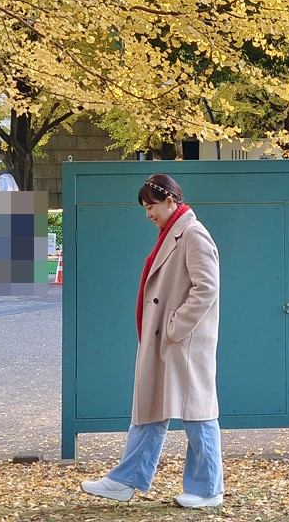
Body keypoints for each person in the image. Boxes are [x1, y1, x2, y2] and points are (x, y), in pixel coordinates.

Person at [81, 174, 224, 509]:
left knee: (197, 413)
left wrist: (175, 327)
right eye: (145, 207)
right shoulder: (173, 233)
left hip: (182, 343)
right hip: (166, 341)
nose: (148, 214)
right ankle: (125, 479)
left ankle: (208, 489)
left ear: (170, 201)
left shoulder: (192, 233)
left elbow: (207, 288)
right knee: (150, 409)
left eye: (151, 206)